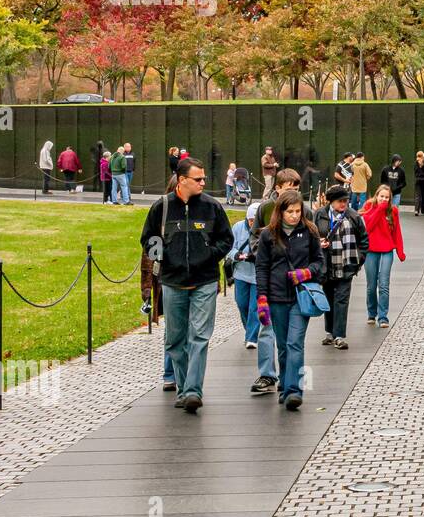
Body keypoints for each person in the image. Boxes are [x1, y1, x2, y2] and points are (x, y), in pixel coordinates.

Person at [138, 157, 233, 414]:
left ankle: (193, 391)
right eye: (198, 179)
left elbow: (226, 239)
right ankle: (183, 388)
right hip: (173, 283)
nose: (204, 182)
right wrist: (165, 256)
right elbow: (148, 239)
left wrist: (209, 255)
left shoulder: (212, 207)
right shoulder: (162, 207)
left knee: (199, 337)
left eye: (204, 178)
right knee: (175, 340)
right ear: (182, 181)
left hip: (204, 281)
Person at [254, 189, 324, 410]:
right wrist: (262, 299)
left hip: (300, 295)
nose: (294, 215)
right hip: (275, 296)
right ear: (280, 212)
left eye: (297, 211)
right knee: (283, 344)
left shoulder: (310, 231)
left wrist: (306, 273)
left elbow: (319, 262)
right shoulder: (268, 235)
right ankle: (284, 385)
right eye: (290, 211)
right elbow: (262, 268)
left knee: (295, 342)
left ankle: (295, 390)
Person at [317, 185, 368, 349]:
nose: (344, 204)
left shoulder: (353, 216)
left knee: (342, 300)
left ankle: (339, 336)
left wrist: (359, 259)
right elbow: (311, 237)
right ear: (331, 201)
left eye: (346, 200)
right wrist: (319, 244)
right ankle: (329, 332)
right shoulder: (320, 215)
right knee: (329, 299)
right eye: (340, 201)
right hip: (327, 264)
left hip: (347, 265)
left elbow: (364, 240)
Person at [359, 184, 406, 328]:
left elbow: (396, 232)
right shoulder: (369, 207)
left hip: (387, 250)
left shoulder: (393, 211)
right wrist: (379, 209)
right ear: (376, 196)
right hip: (371, 250)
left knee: (384, 284)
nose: (384, 199)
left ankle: (383, 317)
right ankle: (371, 313)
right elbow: (368, 227)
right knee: (371, 285)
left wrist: (400, 251)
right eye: (381, 196)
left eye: (387, 197)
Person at [230, 203, 262, 351]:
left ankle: (251, 337)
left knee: (254, 307)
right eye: (250, 220)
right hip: (241, 273)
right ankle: (249, 329)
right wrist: (236, 255)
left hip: (258, 276)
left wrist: (256, 256)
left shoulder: (265, 230)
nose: (252, 223)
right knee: (242, 303)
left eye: (255, 219)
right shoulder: (237, 227)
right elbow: (229, 246)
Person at [412, 150, 424, 215]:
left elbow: (415, 172)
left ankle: (416, 210)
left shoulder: (416, 163)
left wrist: (420, 166)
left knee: (417, 195)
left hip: (418, 180)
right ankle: (423, 210)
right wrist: (423, 166)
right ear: (423, 156)